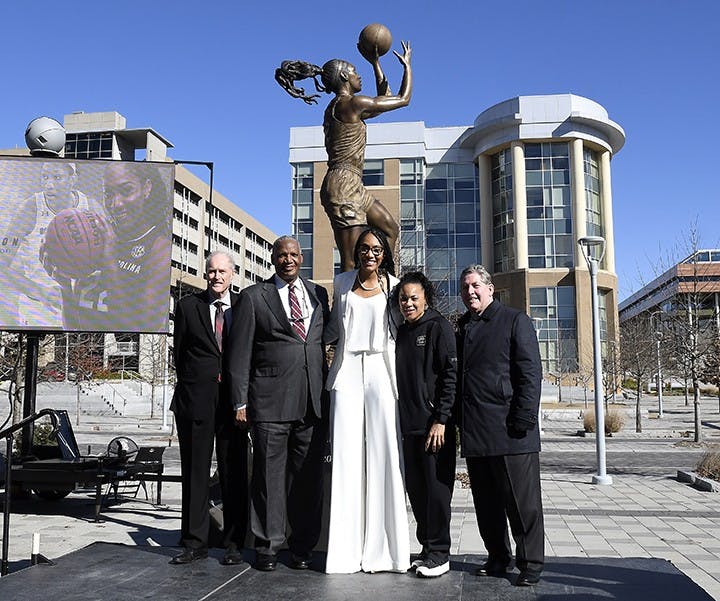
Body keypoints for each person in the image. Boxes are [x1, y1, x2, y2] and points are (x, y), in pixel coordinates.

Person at [226, 236, 329, 572]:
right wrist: (240, 400)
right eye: (282, 255)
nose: (288, 260)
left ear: (302, 258)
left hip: (312, 403)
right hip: (269, 402)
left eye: (294, 255)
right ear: (273, 259)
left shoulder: (318, 294)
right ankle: (268, 546)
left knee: (307, 480)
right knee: (268, 480)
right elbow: (239, 353)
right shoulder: (254, 297)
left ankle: (302, 546)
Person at [275, 40, 412, 271]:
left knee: (389, 228)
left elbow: (383, 98)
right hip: (343, 184)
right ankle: (346, 304)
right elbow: (402, 99)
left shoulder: (343, 106)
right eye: (355, 71)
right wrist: (407, 67)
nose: (359, 76)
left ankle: (382, 283)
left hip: (352, 183)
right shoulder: (351, 104)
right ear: (344, 77)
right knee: (350, 259)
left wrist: (375, 63)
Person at [324, 226, 409, 574]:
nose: (370, 254)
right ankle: (343, 552)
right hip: (347, 370)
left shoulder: (394, 285)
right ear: (356, 252)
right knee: (344, 457)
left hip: (380, 369)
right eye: (364, 249)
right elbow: (331, 329)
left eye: (376, 249)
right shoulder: (341, 283)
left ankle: (386, 552)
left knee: (385, 454)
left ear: (384, 254)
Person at [456, 265, 545, 587]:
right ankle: (497, 557)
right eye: (465, 287)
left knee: (522, 506)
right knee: (487, 505)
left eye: (475, 286)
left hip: (511, 431)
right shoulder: (463, 326)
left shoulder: (514, 320)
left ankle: (531, 563)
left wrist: (523, 417)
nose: (470, 292)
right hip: (477, 432)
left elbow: (530, 373)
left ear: (490, 288)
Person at [170, 250, 248, 565]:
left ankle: (234, 544)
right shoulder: (189, 306)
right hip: (196, 402)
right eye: (211, 271)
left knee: (234, 474)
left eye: (222, 271)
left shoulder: (245, 306)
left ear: (233, 274)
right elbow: (180, 353)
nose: (216, 277)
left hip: (234, 404)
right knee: (195, 473)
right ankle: (194, 542)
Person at [43, 161, 172, 332]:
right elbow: (74, 329)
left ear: (146, 188)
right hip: (85, 353)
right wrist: (65, 285)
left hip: (123, 356)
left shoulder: (160, 249)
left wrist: (110, 262)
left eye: (126, 191)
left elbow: (143, 329)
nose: (116, 204)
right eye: (108, 194)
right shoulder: (96, 235)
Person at [394, 271, 457, 579]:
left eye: (414, 298)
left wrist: (441, 419)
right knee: (418, 493)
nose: (408, 303)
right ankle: (427, 549)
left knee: (436, 493)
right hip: (409, 428)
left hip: (434, 428)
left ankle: (441, 553)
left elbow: (449, 376)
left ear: (426, 299)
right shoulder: (403, 332)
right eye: (403, 298)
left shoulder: (439, 327)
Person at [0, 161, 95, 328]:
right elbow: (1, 266)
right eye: (45, 177)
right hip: (38, 310)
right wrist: (41, 292)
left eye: (57, 177)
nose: (49, 185)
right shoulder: (30, 208)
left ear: (73, 179)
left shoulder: (91, 207)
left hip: (79, 310)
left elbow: (110, 259)